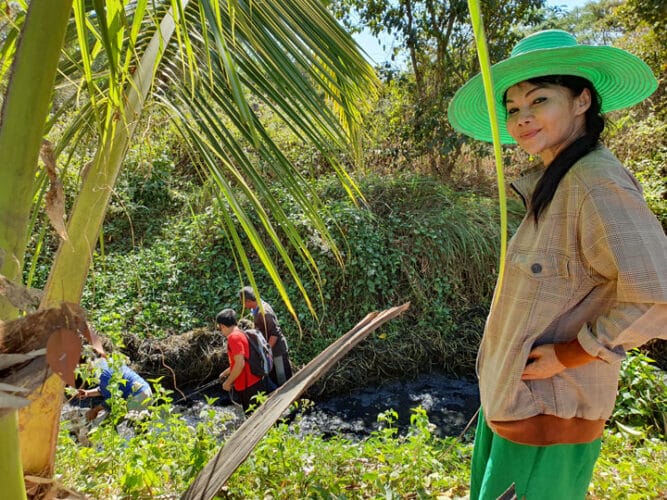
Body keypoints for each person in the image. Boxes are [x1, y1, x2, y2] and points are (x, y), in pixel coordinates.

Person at [447, 29, 667, 500]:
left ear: (582, 100)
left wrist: (572, 354)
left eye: (539, 100)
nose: (521, 118)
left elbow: (657, 296)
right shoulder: (558, 179)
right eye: (512, 108)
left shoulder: (594, 181)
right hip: (514, 409)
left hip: (547, 421)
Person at [216, 308, 271, 413]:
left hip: (248, 386)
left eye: (219, 328)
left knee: (253, 415)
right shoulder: (241, 333)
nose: (221, 331)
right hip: (255, 380)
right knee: (262, 412)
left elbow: (240, 364)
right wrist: (225, 373)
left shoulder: (233, 338)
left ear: (222, 325)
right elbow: (244, 359)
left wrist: (228, 382)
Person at [239, 286, 293, 387]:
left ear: (248, 301)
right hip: (271, 350)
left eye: (243, 303)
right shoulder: (257, 309)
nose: (244, 306)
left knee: (283, 379)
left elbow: (274, 334)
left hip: (277, 351)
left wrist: (266, 351)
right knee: (275, 378)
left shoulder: (264, 312)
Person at [77, 355, 152, 421]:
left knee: (132, 425)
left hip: (137, 397)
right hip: (145, 390)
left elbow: (112, 399)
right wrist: (87, 393)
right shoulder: (106, 362)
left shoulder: (102, 374)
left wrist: (94, 411)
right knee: (143, 423)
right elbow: (107, 388)